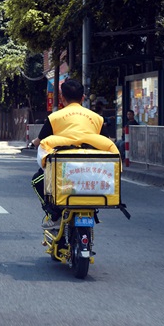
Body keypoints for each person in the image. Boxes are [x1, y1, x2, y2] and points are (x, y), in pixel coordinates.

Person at [31, 79, 116, 229]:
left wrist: (33, 142)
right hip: (92, 169)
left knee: (36, 180)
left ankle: (54, 215)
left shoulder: (55, 117)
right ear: (83, 98)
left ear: (62, 98)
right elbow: (107, 141)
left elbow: (40, 140)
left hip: (64, 167)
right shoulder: (97, 118)